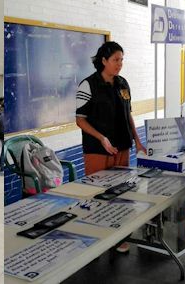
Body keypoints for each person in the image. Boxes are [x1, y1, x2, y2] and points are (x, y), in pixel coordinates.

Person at [75, 41, 145, 253]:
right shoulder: (88, 85)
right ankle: (96, 238)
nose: (119, 64)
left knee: (120, 194)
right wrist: (102, 138)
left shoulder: (123, 83)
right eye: (116, 60)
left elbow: (128, 114)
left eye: (122, 60)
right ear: (103, 61)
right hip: (98, 150)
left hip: (122, 148)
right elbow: (80, 120)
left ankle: (119, 237)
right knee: (98, 194)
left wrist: (138, 140)